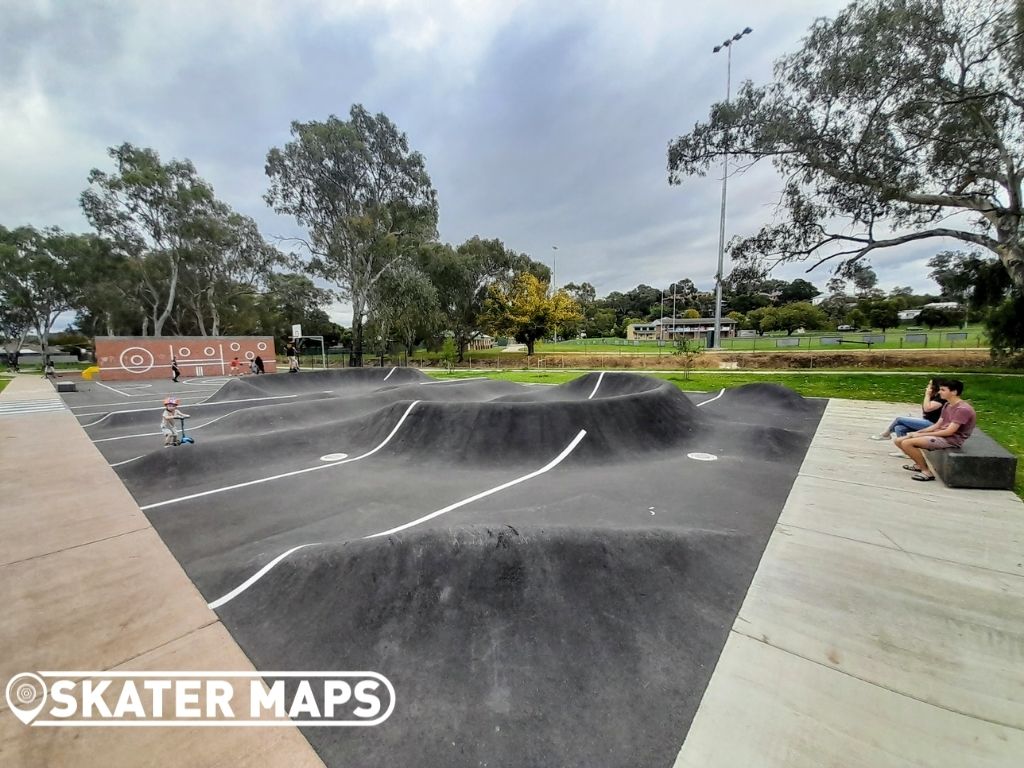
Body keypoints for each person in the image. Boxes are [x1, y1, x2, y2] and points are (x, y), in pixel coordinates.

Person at [893, 379, 977, 481]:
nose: (939, 392)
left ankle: (926, 472)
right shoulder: (947, 405)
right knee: (898, 441)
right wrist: (920, 432)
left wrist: (919, 436)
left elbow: (949, 432)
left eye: (943, 390)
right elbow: (937, 424)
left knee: (907, 443)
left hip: (950, 439)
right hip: (940, 434)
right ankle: (919, 465)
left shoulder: (962, 409)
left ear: (954, 392)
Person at [870, 378, 945, 440]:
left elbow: (927, 408)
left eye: (930, 384)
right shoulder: (933, 396)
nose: (928, 386)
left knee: (899, 419)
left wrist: (927, 395)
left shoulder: (940, 399)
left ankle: (886, 434)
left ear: (935, 387)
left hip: (933, 424)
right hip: (926, 421)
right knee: (899, 428)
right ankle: (905, 450)